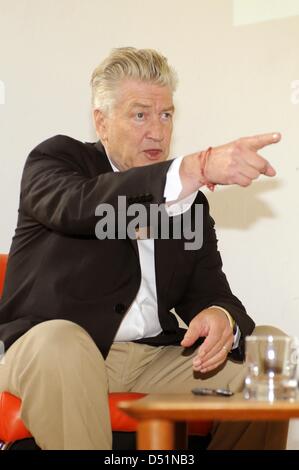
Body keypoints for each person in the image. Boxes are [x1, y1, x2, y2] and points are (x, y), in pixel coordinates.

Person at [0, 47, 288, 450]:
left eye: (165, 115)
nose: (157, 131)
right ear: (102, 122)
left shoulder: (187, 204)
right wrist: (194, 169)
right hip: (53, 354)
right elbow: (80, 206)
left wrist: (222, 316)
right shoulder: (58, 161)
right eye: (140, 115)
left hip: (151, 360)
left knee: (265, 358)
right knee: (62, 344)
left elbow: (211, 293)